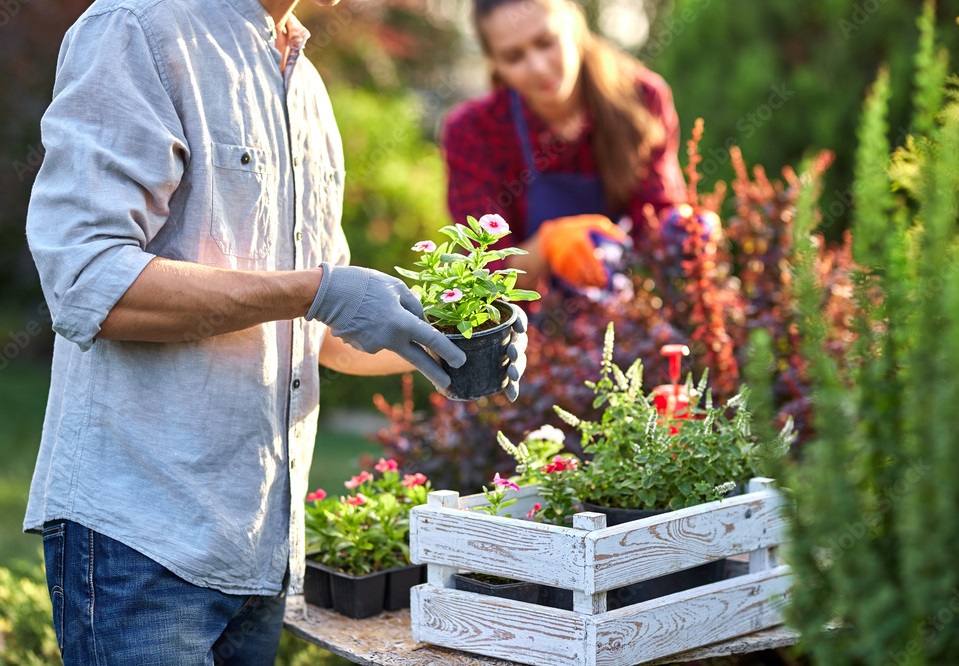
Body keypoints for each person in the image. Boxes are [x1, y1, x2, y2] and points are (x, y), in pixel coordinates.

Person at [23, 0, 526, 662]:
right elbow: (89, 280)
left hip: (258, 554)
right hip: (141, 543)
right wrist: (315, 290)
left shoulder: (303, 85)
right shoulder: (138, 29)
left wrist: (442, 345)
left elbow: (317, 332)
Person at [441, 0, 688, 293]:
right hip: (529, 326)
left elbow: (655, 221)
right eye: (513, 57)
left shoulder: (642, 99)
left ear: (574, 25)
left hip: (627, 305)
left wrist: (684, 231)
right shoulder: (472, 132)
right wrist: (546, 246)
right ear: (495, 63)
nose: (539, 67)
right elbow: (485, 275)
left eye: (546, 42)